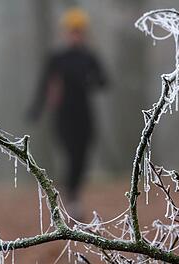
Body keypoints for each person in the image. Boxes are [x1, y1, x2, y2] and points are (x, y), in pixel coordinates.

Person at [28, 8, 108, 220]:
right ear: (66, 32)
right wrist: (36, 110)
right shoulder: (57, 58)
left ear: (84, 33)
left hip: (85, 116)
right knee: (71, 155)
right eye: (72, 31)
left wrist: (90, 81)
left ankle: (74, 195)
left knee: (82, 158)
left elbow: (103, 81)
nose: (75, 34)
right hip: (63, 117)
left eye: (79, 31)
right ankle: (72, 200)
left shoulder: (90, 57)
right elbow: (44, 84)